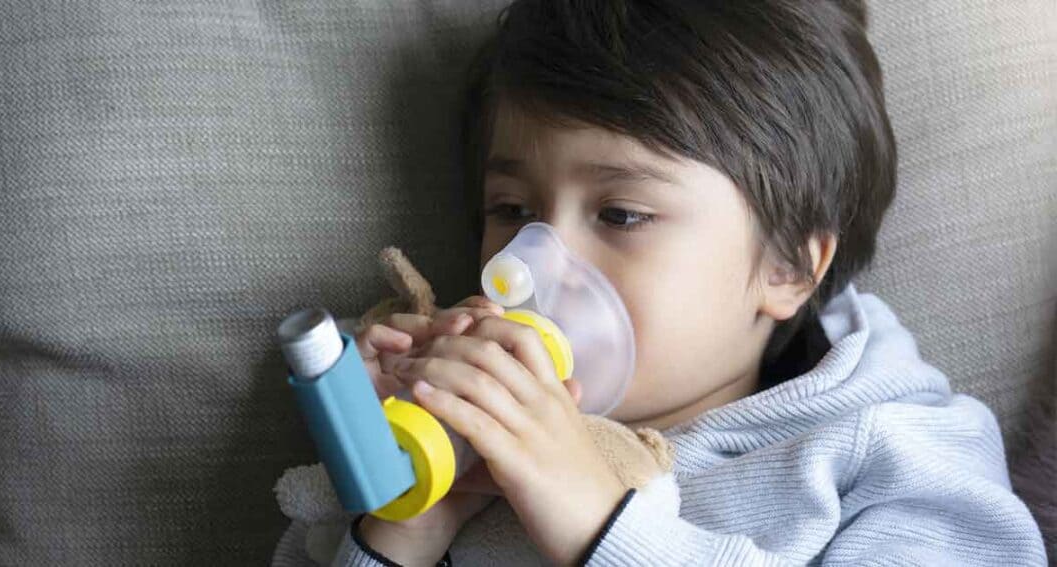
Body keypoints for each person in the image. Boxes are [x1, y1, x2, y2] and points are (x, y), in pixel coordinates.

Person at [307, 1, 1047, 565]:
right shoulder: (453, 441)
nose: (521, 267)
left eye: (621, 213)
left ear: (787, 266)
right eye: (513, 210)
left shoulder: (894, 449)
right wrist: (404, 522)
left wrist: (602, 525)